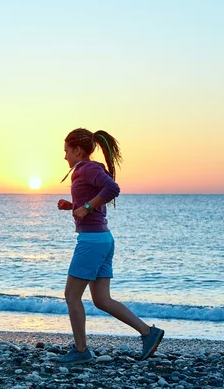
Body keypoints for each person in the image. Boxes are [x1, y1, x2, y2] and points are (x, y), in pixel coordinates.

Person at [55, 127, 164, 365]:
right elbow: (94, 197)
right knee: (102, 300)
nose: (64, 156)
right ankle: (148, 333)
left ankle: (81, 351)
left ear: (77, 149)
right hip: (103, 239)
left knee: (71, 296)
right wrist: (72, 205)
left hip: (92, 241)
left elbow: (113, 189)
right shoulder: (87, 170)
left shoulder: (87, 168)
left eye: (66, 151)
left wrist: (86, 207)